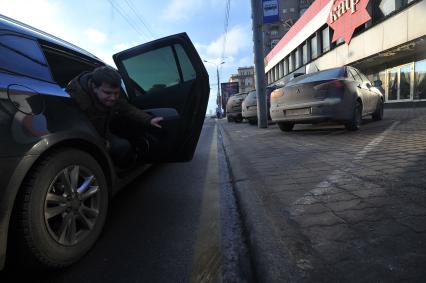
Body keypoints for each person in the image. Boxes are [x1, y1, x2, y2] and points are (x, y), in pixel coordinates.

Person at [66, 66, 163, 167]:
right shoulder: (75, 99)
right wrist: (101, 142)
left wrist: (149, 119)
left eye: (116, 93)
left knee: (125, 143)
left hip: (103, 132)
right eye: (107, 93)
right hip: (85, 138)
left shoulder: (111, 95)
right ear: (94, 87)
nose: (113, 98)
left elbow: (125, 107)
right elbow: (76, 127)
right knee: (121, 146)